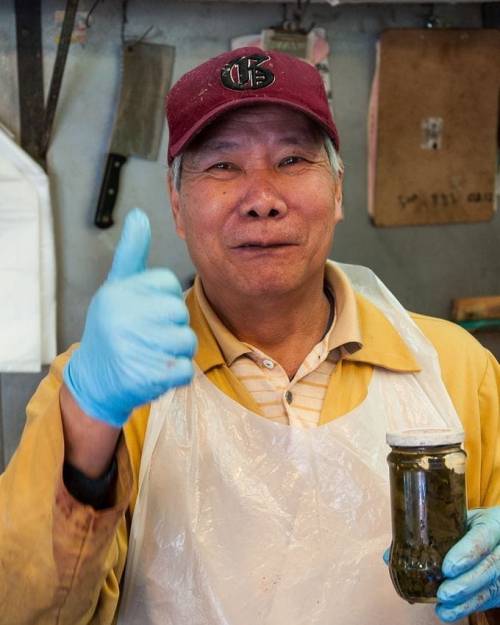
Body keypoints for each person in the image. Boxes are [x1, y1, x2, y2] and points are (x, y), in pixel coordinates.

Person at [0, 47, 499, 625]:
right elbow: (21, 610)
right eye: (222, 166)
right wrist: (89, 434)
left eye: (292, 160)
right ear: (176, 202)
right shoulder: (104, 391)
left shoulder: (456, 368)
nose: (263, 199)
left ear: (337, 191)